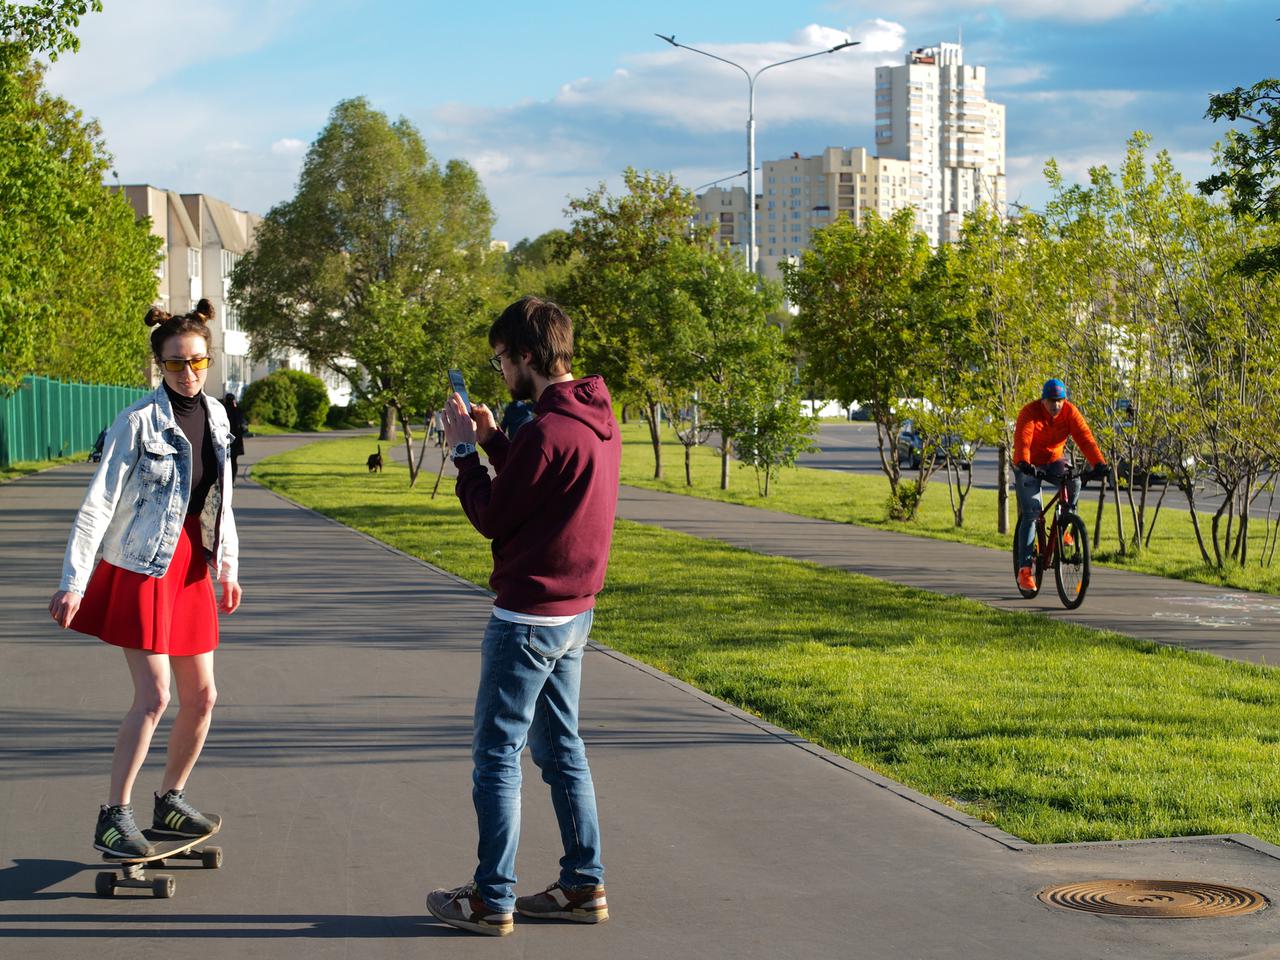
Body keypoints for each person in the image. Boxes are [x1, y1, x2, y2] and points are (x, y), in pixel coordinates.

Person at [427, 296, 620, 937]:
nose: (500, 371)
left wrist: (462, 454)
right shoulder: (590, 418)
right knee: (561, 748)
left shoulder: (546, 431)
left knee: (498, 755)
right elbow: (537, 486)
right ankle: (582, 886)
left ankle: (491, 899)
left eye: (503, 359)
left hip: (526, 621)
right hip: (573, 614)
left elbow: (493, 515)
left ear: (528, 356)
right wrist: (496, 440)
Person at [48, 299, 242, 859]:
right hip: (140, 567)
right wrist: (73, 581)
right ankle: (115, 814)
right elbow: (98, 504)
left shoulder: (220, 417)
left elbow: (221, 501)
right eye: (178, 364)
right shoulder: (136, 422)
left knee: (202, 697)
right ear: (160, 364)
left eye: (199, 362)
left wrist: (226, 566)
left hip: (190, 566)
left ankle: (170, 800)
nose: (190, 373)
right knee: (155, 695)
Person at [1013, 378, 1107, 592]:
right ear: (1043, 400)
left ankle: (1066, 524)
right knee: (1032, 513)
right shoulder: (1029, 413)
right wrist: (1023, 462)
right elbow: (1023, 440)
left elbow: (1085, 438)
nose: (1056, 405)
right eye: (1052, 401)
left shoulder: (1070, 412)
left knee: (1073, 480)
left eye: (1060, 401)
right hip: (1028, 464)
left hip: (1054, 460)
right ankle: (1025, 570)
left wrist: (1099, 463)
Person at [221, 393, 246, 482]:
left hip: (224, 439)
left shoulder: (222, 411)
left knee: (225, 460)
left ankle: (226, 479)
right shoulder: (238, 411)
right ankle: (233, 479)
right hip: (236, 440)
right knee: (233, 461)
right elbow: (243, 426)